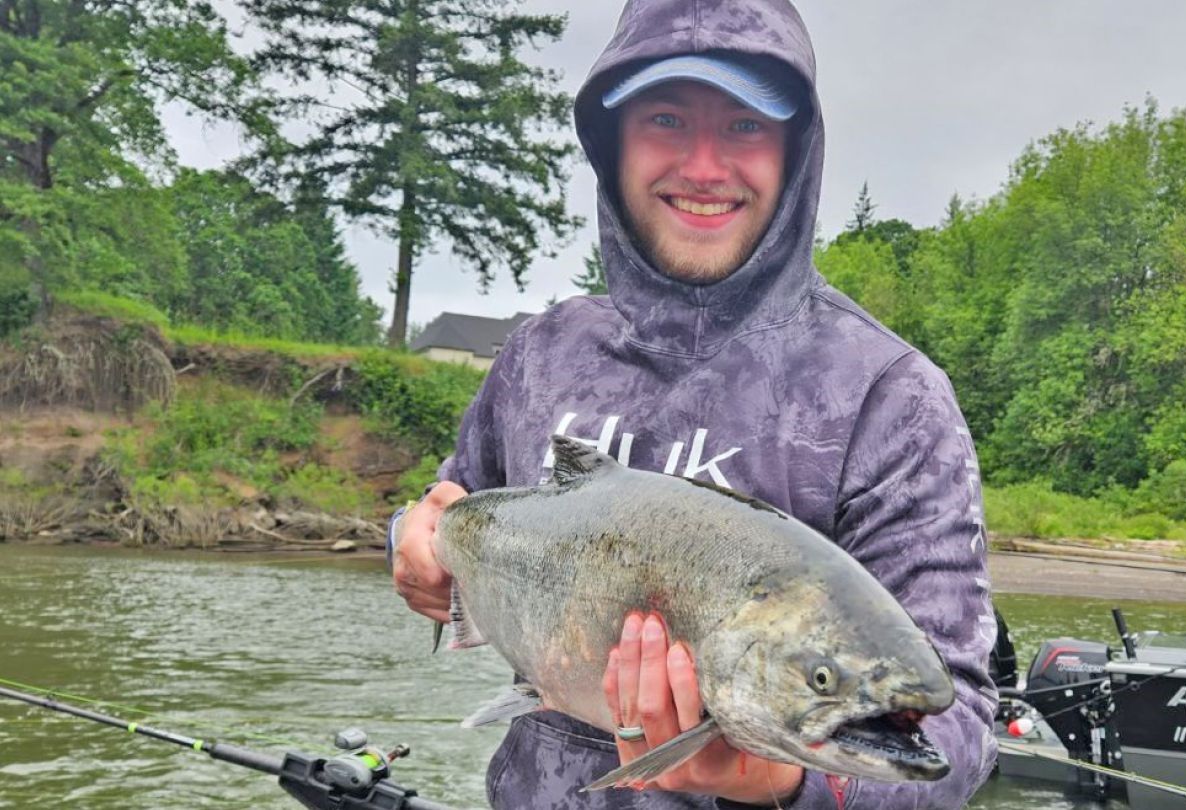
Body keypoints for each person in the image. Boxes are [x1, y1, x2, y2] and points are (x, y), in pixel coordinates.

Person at [390, 1, 999, 807]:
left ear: (795, 150)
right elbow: (452, 508)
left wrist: (789, 780)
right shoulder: (540, 353)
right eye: (668, 120)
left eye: (745, 125)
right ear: (612, 142)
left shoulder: (891, 397)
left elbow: (959, 733)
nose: (705, 167)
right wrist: (409, 541)